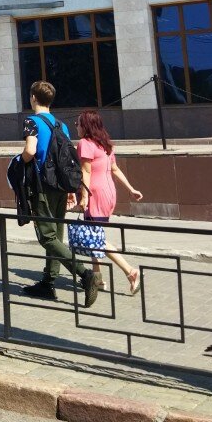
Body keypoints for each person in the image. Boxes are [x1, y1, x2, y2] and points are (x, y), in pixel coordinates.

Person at [21, 81, 98, 308]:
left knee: (47, 237)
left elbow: (30, 151)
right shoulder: (61, 125)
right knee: (56, 234)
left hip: (42, 186)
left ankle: (85, 275)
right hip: (61, 187)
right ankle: (48, 282)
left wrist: (20, 160)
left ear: (33, 98)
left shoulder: (31, 122)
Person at [73, 109, 144, 295]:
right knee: (95, 235)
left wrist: (84, 197)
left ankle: (130, 271)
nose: (76, 127)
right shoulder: (105, 144)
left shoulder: (85, 143)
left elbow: (86, 172)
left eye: (78, 123)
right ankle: (98, 280)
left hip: (95, 193)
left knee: (97, 239)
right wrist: (131, 189)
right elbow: (115, 169)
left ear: (86, 126)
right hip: (108, 192)